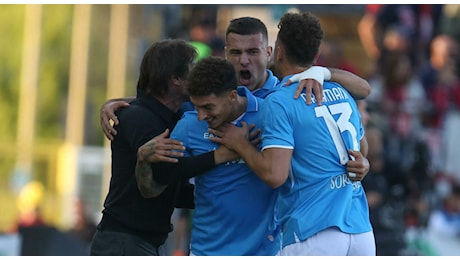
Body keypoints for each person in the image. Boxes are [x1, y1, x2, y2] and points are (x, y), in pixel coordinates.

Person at [209, 11, 375, 256]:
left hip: (313, 230)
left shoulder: (282, 100)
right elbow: (362, 150)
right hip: (360, 230)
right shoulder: (342, 91)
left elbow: (276, 175)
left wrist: (240, 143)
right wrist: (365, 163)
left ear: (278, 52)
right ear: (316, 55)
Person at [100, 16, 371, 141]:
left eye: (252, 52)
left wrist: (322, 72)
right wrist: (125, 103)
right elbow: (169, 100)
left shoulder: (288, 94)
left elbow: (363, 91)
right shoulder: (207, 98)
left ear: (269, 53)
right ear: (226, 53)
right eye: (236, 52)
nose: (244, 60)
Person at [89, 39, 236, 256]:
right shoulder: (138, 119)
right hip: (124, 243)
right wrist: (220, 156)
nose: (198, 75)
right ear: (175, 79)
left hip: (141, 241)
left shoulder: (171, 114)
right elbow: (165, 171)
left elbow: (171, 190)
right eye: (192, 68)